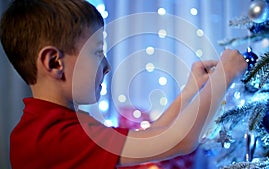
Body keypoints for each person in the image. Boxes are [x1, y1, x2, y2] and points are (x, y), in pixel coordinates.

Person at [0, 0, 247, 168]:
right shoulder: (52, 139)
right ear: (54, 62)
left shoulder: (61, 124)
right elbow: (178, 141)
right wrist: (223, 76)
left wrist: (192, 88)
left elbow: (152, 135)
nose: (107, 66)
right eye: (97, 53)